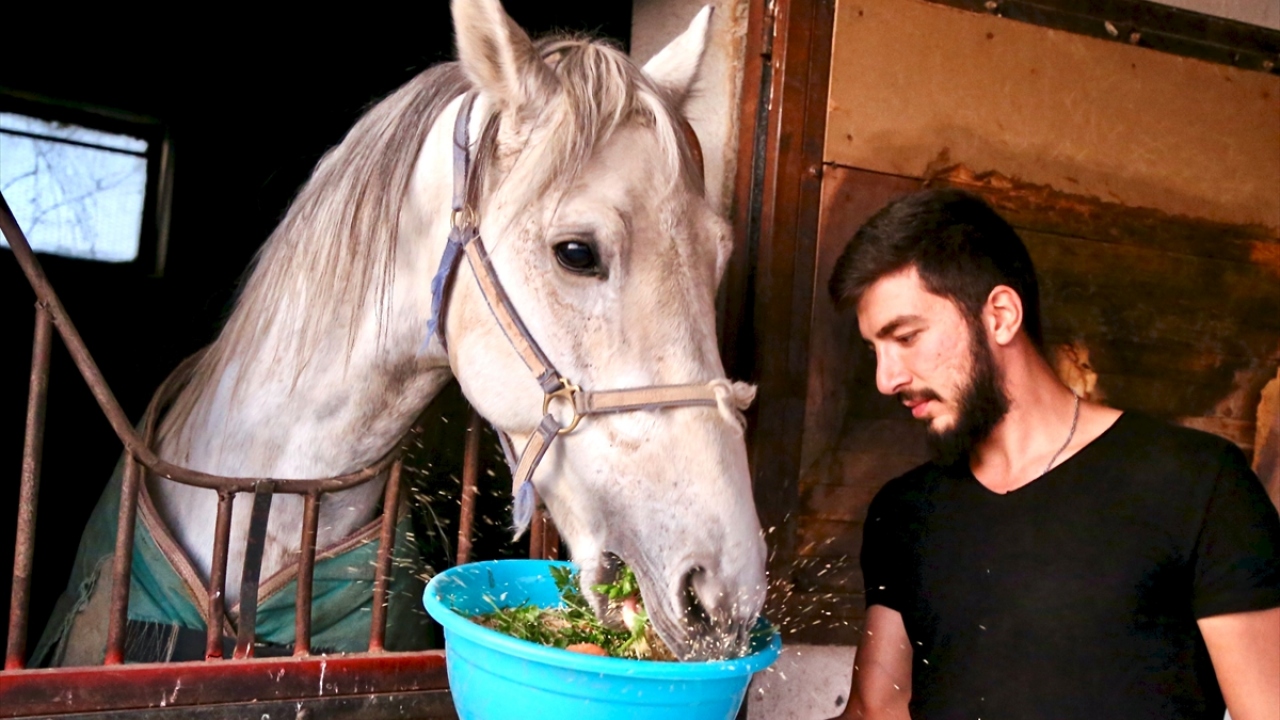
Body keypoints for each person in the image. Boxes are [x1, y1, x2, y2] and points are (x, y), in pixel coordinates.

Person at [825, 188, 1280, 720]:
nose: (887, 378)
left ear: (999, 315)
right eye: (874, 349)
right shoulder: (903, 511)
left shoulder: (1199, 484)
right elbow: (878, 709)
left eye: (905, 337)